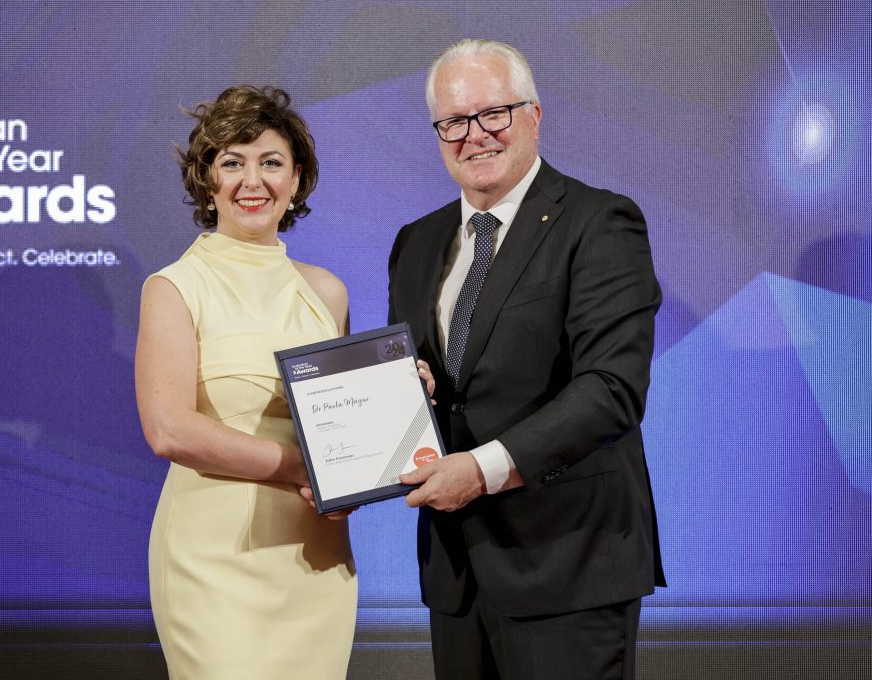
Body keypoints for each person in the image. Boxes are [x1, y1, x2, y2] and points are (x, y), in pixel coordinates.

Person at [389, 39, 666, 679]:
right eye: (453, 122)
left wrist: (483, 470)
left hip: (568, 564)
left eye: (494, 114)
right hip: (457, 572)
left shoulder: (600, 222)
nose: (474, 135)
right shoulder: (417, 241)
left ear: (534, 115)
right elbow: (422, 385)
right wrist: (413, 391)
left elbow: (611, 388)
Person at [135, 86, 357, 679]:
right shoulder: (175, 286)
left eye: (271, 162)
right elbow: (169, 429)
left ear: (297, 178)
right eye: (232, 162)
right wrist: (297, 467)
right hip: (214, 563)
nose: (251, 180)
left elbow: (339, 426)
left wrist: (400, 400)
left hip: (315, 562)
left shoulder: (327, 292)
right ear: (207, 180)